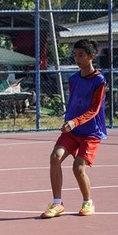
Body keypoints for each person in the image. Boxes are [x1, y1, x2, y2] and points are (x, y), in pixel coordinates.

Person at [40, 39, 107, 218]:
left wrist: (75, 122)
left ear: (91, 56)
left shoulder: (99, 80)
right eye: (75, 55)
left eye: (81, 55)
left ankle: (88, 202)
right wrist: (68, 121)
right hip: (72, 131)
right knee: (55, 157)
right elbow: (75, 103)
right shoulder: (73, 79)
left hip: (91, 132)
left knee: (78, 168)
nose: (77, 59)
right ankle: (57, 204)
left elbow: (94, 109)